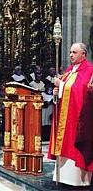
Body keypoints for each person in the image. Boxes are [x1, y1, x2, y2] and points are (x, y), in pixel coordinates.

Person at [48, 43, 93, 186]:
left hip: (78, 117)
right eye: (70, 52)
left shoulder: (89, 70)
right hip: (65, 116)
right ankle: (62, 177)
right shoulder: (69, 70)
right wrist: (56, 92)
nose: (71, 55)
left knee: (75, 143)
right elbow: (64, 91)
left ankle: (79, 180)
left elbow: (80, 90)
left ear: (83, 54)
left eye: (74, 52)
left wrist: (60, 86)